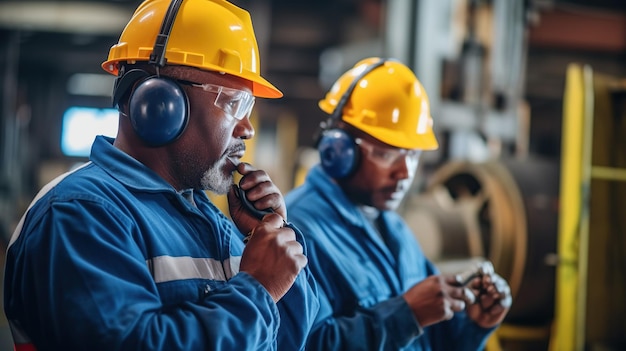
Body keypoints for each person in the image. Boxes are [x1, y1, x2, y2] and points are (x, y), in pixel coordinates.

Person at [3, 0, 319, 350]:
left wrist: (272, 237)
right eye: (233, 104)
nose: (247, 129)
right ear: (160, 103)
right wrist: (257, 289)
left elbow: (292, 340)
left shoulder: (212, 219)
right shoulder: (79, 213)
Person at [284, 57, 512, 350]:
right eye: (386, 154)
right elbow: (308, 344)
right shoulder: (296, 231)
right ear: (337, 149)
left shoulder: (394, 229)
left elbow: (430, 339)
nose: (404, 172)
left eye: (413, 155)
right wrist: (407, 314)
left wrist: (473, 325)